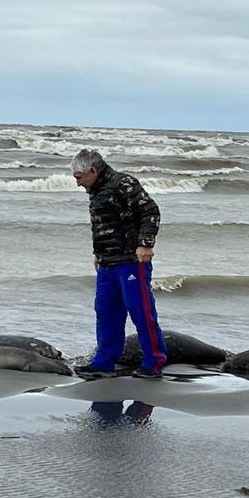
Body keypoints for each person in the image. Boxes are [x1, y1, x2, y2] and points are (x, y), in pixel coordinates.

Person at [71, 148, 167, 379]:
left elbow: (150, 211)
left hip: (131, 261)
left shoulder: (123, 183)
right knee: (106, 312)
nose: (78, 184)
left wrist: (145, 244)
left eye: (79, 177)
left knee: (141, 312)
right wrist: (99, 253)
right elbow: (104, 226)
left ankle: (154, 362)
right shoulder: (96, 190)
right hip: (107, 263)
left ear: (93, 170)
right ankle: (104, 360)